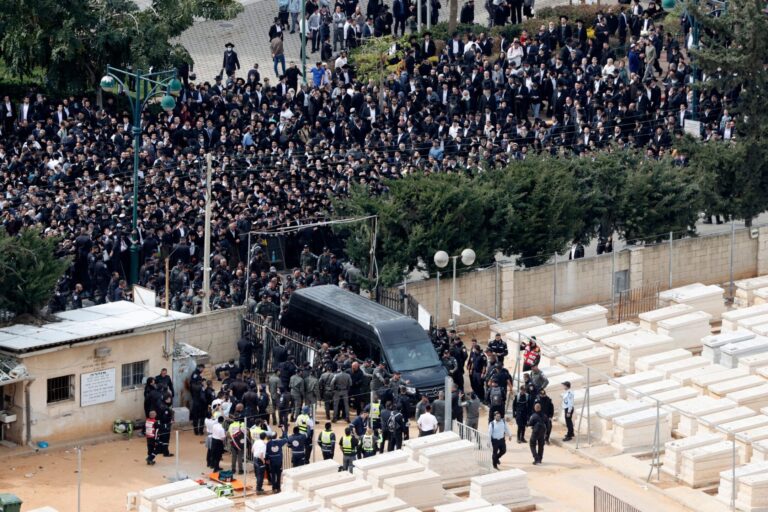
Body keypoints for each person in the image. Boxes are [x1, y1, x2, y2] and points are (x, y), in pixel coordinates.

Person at [266, 426, 290, 492]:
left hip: (272, 462)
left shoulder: (268, 444)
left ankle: (274, 488)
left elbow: (267, 453)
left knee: (273, 475)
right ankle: (278, 488)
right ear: (276, 436)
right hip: (279, 461)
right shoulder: (279, 442)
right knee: (279, 475)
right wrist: (283, 431)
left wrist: (267, 459)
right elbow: (286, 438)